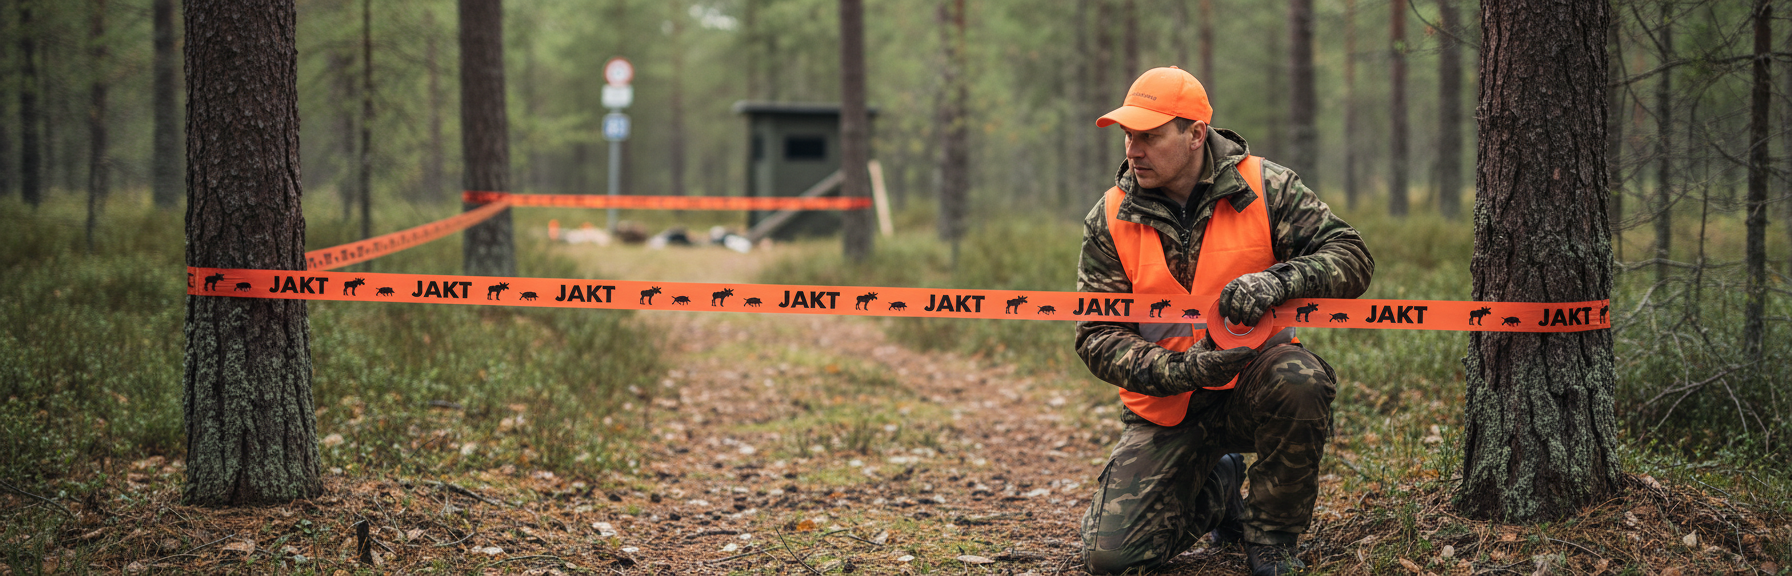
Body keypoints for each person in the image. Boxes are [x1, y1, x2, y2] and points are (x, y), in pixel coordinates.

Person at [1075, 66, 1374, 575]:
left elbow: (1352, 257)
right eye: (1128, 135)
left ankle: (1273, 541)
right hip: (1169, 404)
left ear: (1195, 134)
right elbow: (1096, 335)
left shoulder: (1266, 186)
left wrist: (1279, 281)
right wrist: (1184, 372)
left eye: (1148, 135)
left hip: (1257, 384)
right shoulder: (1111, 215)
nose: (1132, 150)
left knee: (1299, 377)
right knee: (1112, 562)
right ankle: (1220, 485)